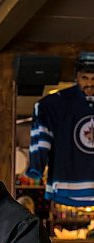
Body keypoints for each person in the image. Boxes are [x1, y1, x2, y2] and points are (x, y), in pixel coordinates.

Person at [26, 51, 94, 206]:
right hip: (66, 183)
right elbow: (41, 132)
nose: (90, 83)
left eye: (93, 79)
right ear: (77, 77)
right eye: (85, 78)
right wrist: (36, 166)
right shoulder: (54, 105)